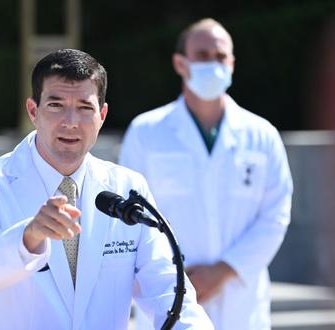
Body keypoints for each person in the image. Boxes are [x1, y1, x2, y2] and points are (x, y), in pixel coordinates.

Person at [0, 48, 212, 329]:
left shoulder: (127, 187)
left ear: (102, 115)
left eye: (85, 108)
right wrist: (29, 237)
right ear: (33, 111)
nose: (70, 122)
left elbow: (166, 288)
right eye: (56, 105)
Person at [119, 18, 293, 330]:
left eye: (220, 56)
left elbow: (276, 214)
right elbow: (132, 217)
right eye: (202, 55)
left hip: (241, 300)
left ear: (233, 63)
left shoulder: (262, 135)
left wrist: (225, 269)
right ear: (180, 63)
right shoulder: (147, 132)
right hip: (167, 294)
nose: (212, 64)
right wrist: (176, 275)